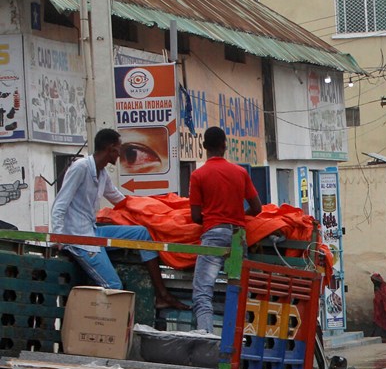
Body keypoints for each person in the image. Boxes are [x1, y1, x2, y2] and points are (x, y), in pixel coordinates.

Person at [51, 128, 189, 310]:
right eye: (118, 149)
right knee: (114, 287)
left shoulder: (101, 173)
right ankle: (102, 329)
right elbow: (60, 204)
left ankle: (161, 294)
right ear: (109, 149)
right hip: (79, 239)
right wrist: (58, 236)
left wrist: (151, 211)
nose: (120, 154)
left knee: (142, 233)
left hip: (93, 231)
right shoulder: (81, 167)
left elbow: (119, 200)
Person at [188, 126, 263, 332]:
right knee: (239, 291)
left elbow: (195, 216)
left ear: (204, 147)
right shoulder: (240, 172)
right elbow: (257, 208)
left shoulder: (198, 175)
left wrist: (215, 217)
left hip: (213, 236)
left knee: (203, 292)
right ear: (225, 146)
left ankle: (208, 338)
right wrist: (237, 216)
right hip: (238, 237)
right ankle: (242, 340)